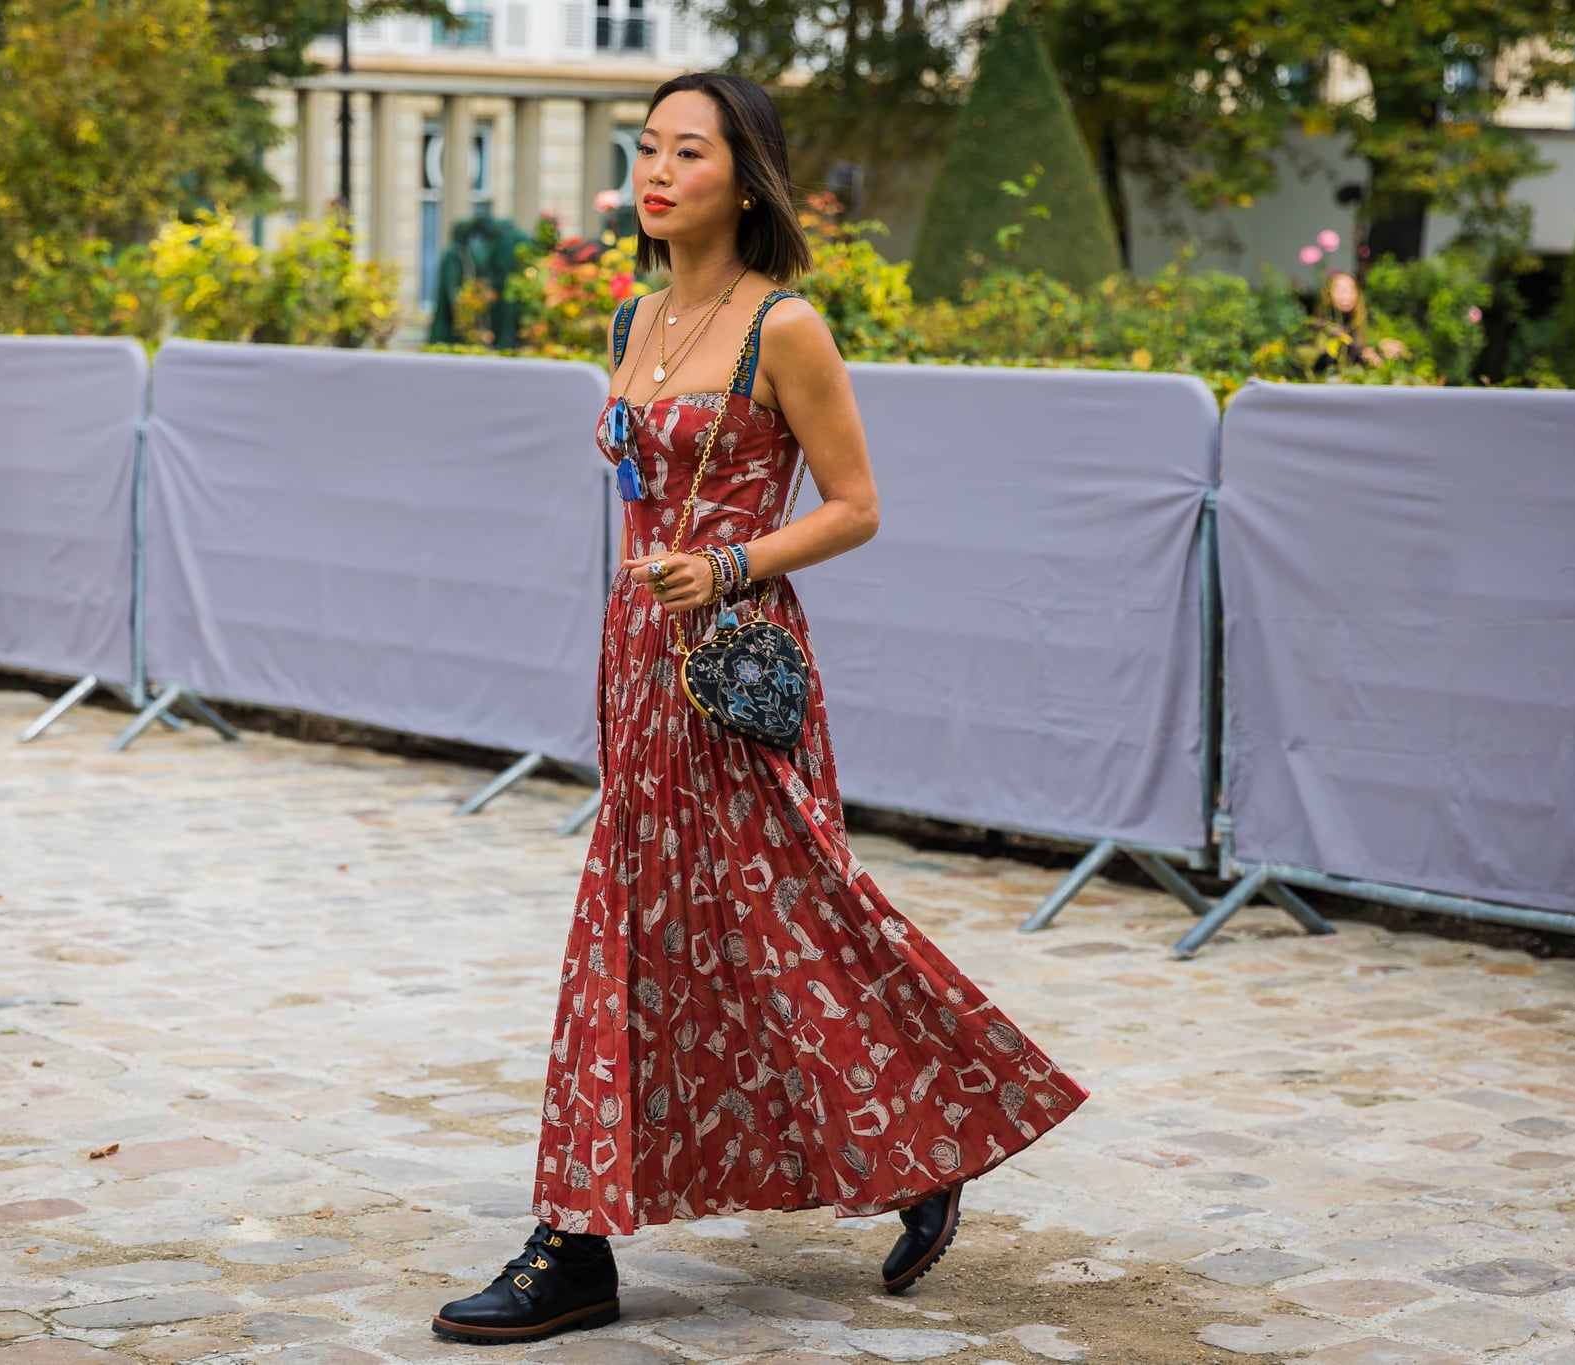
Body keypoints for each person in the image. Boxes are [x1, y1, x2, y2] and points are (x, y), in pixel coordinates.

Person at [432, 71, 1091, 1346]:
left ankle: (591, 1240)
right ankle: (607, 1229)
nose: (658, 171)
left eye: (690, 151)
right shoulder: (633, 315)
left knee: (794, 917)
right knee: (667, 930)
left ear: (744, 177)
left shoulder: (779, 325)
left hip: (732, 666)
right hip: (636, 657)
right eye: (646, 148)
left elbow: (855, 505)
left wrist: (730, 563)